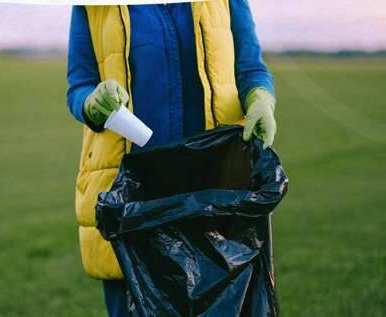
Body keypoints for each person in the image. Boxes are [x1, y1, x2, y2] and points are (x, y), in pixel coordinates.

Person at [66, 1, 276, 316]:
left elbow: (250, 68)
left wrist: (260, 97)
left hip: (213, 187)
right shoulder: (93, 5)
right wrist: (91, 102)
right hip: (134, 195)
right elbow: (78, 85)